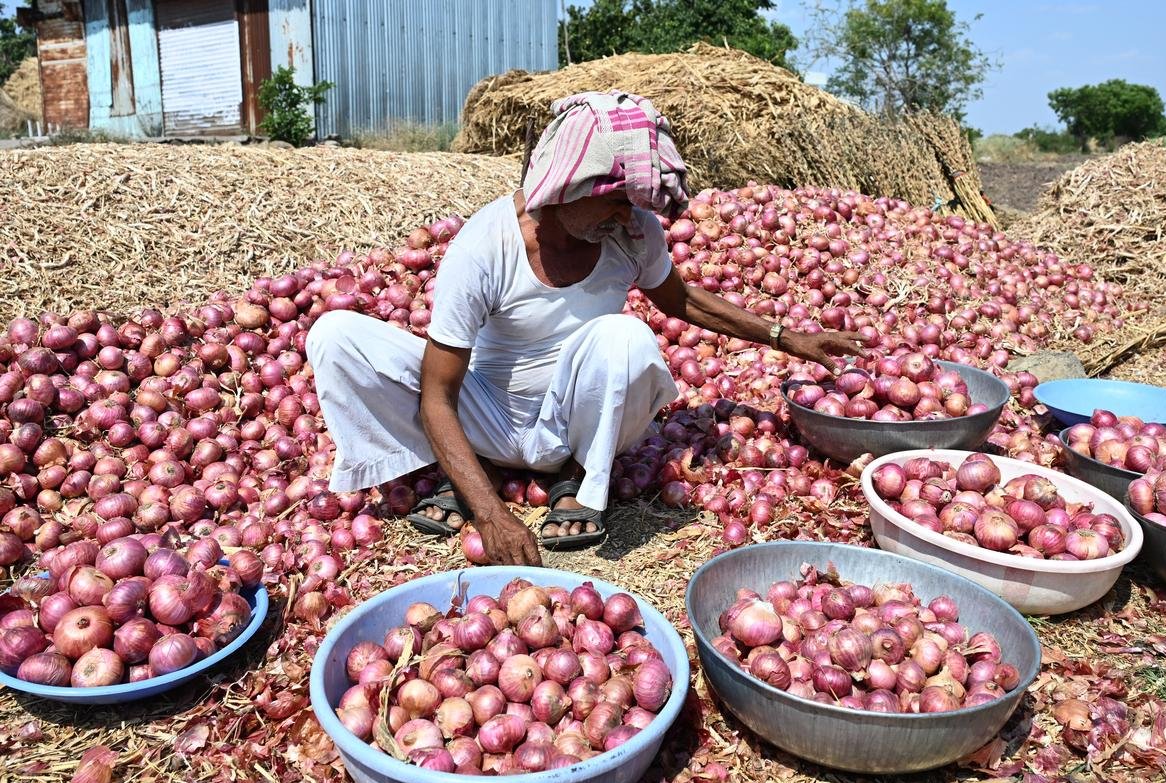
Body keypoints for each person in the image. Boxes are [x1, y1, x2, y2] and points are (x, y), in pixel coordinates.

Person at [308, 91, 863, 567]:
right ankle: (469, 472)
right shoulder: (484, 245)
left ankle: (578, 482)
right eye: (614, 201)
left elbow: (682, 300)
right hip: (487, 418)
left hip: (572, 428)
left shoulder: (633, 233)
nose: (625, 215)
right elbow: (437, 394)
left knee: (627, 337)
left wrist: (787, 338)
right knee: (335, 337)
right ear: (563, 186)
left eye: (632, 202)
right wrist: (492, 515)